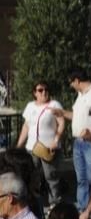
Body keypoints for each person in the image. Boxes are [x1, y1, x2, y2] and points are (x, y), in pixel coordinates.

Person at [16, 80, 64, 208]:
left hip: (48, 148)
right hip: (32, 148)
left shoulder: (54, 104)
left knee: (51, 177)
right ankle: (35, 204)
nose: (44, 92)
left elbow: (61, 123)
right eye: (40, 90)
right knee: (33, 177)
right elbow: (26, 126)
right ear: (35, 93)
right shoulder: (30, 106)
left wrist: (56, 140)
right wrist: (19, 145)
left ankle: (54, 205)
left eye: (46, 90)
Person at [62, 69, 91, 212]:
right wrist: (62, 113)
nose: (71, 86)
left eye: (72, 83)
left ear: (77, 80)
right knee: (81, 178)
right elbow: (77, 116)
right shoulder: (80, 95)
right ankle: (83, 206)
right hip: (78, 142)